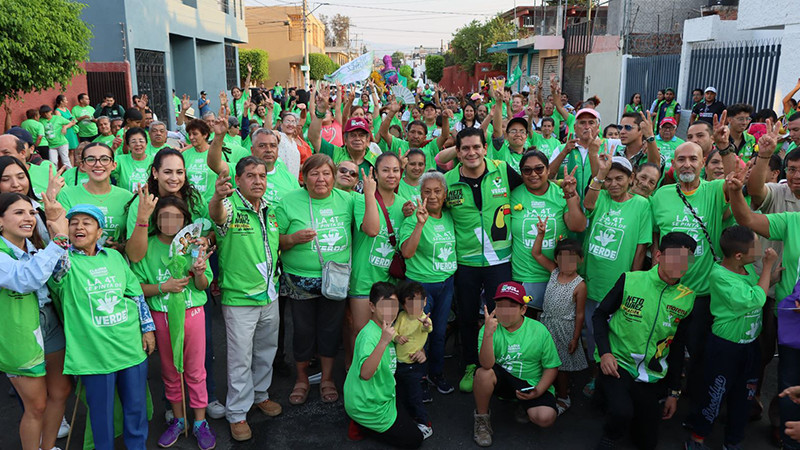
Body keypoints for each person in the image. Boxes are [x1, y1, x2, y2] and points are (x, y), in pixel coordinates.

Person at [48, 204, 156, 450]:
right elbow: (56, 273)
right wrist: (58, 232)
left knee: (135, 409)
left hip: (130, 347)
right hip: (94, 355)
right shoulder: (63, 263)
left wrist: (147, 328)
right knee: (101, 416)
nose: (79, 227)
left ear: (99, 232)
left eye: (87, 222)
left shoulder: (115, 257)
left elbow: (136, 294)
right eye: (74, 222)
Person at [276, 154, 374, 406]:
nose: (321, 179)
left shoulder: (348, 199)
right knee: (303, 331)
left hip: (337, 279)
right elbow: (275, 241)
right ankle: (301, 379)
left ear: (333, 177)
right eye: (314, 173)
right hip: (300, 281)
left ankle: (328, 379)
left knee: (330, 331)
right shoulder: (288, 202)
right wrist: (293, 239)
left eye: (326, 173)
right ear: (304, 177)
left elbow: (372, 221)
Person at [650, 137, 738, 413]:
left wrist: (725, 149)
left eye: (693, 159)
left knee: (697, 350)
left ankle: (694, 399)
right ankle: (662, 389)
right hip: (668, 288)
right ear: (673, 165)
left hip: (700, 292)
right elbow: (655, 231)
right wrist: (655, 253)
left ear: (702, 163)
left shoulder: (713, 190)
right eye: (681, 159)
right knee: (664, 344)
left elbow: (733, 176)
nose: (687, 164)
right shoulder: (662, 194)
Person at [592, 232, 698, 450]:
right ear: (658, 256)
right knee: (621, 413)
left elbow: (677, 347)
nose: (680, 264)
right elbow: (599, 315)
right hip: (617, 363)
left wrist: (673, 393)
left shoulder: (687, 298)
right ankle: (609, 432)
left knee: (647, 442)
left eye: (686, 259)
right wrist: (605, 353)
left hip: (652, 374)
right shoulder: (631, 280)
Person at [130, 196, 216, 449]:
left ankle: (200, 422)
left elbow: (204, 285)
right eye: (164, 217)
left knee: (196, 370)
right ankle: (178, 420)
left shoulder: (194, 246)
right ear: (156, 219)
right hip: (162, 316)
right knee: (170, 371)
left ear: (185, 221)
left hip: (192, 314)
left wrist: (199, 273)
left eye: (176, 217)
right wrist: (162, 287)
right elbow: (136, 287)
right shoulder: (147, 247)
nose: (170, 222)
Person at [444, 127, 523, 393]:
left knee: (499, 314)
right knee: (466, 315)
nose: (471, 152)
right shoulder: (449, 179)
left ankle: (497, 362)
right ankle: (470, 362)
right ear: (458, 152)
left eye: (476, 147)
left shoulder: (502, 169)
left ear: (485, 148)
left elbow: (533, 188)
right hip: (465, 262)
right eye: (465, 148)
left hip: (500, 259)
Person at [684, 225, 778, 450]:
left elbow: (757, 287)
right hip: (726, 348)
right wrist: (767, 267)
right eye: (755, 246)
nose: (760, 248)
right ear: (739, 255)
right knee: (714, 394)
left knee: (743, 397)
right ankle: (697, 437)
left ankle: (733, 441)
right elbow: (756, 299)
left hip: (749, 347)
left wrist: (771, 278)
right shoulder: (720, 276)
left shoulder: (746, 269)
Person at [208, 155, 282, 441]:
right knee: (240, 358)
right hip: (239, 298)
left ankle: (260, 395)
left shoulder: (270, 210)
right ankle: (237, 413)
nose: (257, 181)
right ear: (238, 180)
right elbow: (216, 214)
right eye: (250, 176)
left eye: (262, 176)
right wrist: (217, 196)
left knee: (266, 350)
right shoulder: (229, 206)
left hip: (269, 294)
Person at [728, 172, 800, 450]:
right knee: (789, 381)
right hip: (792, 321)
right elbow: (747, 219)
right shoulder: (793, 221)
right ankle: (788, 439)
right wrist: (736, 192)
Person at [0, 192, 72, 450]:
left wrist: (57, 234)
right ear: (0, 221)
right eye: (19, 213)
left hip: (50, 321)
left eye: (31, 212)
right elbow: (25, 279)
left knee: (61, 391)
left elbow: (60, 274)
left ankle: (48, 446)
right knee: (36, 405)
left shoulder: (34, 247)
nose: (28, 218)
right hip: (19, 331)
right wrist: (59, 241)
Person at [581, 155, 652, 396]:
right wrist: (599, 174)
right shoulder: (599, 197)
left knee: (617, 333)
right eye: (609, 179)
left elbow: (641, 246)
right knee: (593, 331)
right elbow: (588, 205)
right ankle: (594, 375)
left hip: (619, 282)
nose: (613, 184)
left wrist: (632, 282)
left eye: (619, 178)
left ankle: (614, 378)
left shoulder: (642, 205)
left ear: (631, 179)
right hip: (593, 278)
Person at [472, 281, 561, 447]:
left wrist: (538, 391)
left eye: (511, 306)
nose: (505, 312)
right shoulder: (489, 327)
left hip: (530, 383)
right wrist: (488, 334)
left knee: (545, 418)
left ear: (523, 309)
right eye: (500, 305)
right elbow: (486, 364)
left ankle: (524, 405)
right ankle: (482, 421)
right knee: (483, 373)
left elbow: (551, 366)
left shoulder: (539, 330)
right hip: (503, 380)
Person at [344, 282, 425, 449]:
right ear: (372, 307)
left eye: (394, 305)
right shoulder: (369, 335)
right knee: (415, 439)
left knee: (408, 409)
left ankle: (362, 421)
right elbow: (365, 374)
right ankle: (362, 426)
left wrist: (421, 351)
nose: (390, 311)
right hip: (369, 405)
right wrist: (383, 341)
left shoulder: (389, 327)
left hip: (381, 394)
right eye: (385, 306)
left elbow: (409, 342)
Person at [399, 171, 457, 396]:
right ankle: (418, 377)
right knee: (417, 334)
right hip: (421, 286)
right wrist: (420, 224)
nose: (432, 196)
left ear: (445, 195)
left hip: (446, 284)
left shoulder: (451, 216)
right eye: (427, 191)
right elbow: (407, 252)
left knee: (439, 332)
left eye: (437, 191)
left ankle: (436, 373)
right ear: (419, 194)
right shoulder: (413, 217)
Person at [347, 153, 405, 368]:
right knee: (362, 334)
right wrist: (370, 194)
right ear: (375, 174)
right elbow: (371, 229)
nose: (391, 175)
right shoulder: (363, 200)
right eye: (385, 170)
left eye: (396, 170)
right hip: (364, 280)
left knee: (387, 333)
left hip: (390, 283)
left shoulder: (403, 204)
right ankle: (356, 374)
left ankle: (381, 376)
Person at [510, 150, 585, 310]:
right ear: (521, 173)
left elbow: (577, 226)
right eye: (527, 170)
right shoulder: (513, 195)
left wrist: (570, 194)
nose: (533, 174)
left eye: (539, 169)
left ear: (548, 170)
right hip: (524, 276)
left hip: (559, 275)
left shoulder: (559, 194)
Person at [532, 230, 587, 415]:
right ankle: (550, 390)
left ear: (580, 259)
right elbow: (537, 254)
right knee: (545, 361)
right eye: (562, 258)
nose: (566, 263)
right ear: (556, 259)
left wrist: (576, 337)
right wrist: (540, 235)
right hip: (547, 326)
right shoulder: (554, 272)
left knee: (561, 366)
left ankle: (564, 397)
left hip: (565, 329)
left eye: (571, 258)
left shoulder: (580, 285)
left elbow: (580, 314)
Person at [57, 142, 133, 253]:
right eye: (91, 159)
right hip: (78, 263)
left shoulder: (127, 197)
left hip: (115, 262)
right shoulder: (67, 195)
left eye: (104, 159)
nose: (98, 164)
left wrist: (122, 246)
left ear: (114, 165)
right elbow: (62, 236)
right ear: (82, 165)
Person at [393, 281, 434, 436]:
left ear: (424, 301)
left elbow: (428, 327)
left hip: (414, 365)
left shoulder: (424, 318)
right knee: (402, 394)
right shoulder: (402, 317)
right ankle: (411, 419)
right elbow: (394, 332)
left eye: (418, 303)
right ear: (403, 305)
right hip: (399, 363)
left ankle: (425, 424)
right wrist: (397, 338)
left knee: (415, 396)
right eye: (410, 305)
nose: (415, 308)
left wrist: (425, 323)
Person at [380, 100, 450, 172]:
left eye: (420, 133)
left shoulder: (430, 147)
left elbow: (445, 136)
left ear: (425, 137)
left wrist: (445, 118)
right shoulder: (399, 144)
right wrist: (392, 112)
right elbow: (383, 133)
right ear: (407, 134)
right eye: (412, 132)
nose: (415, 136)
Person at [113, 127, 153, 192]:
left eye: (141, 141)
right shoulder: (120, 160)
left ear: (146, 144)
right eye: (133, 142)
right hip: (125, 201)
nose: (138, 144)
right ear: (128, 146)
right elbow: (106, 167)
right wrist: (113, 149)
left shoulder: (154, 160)